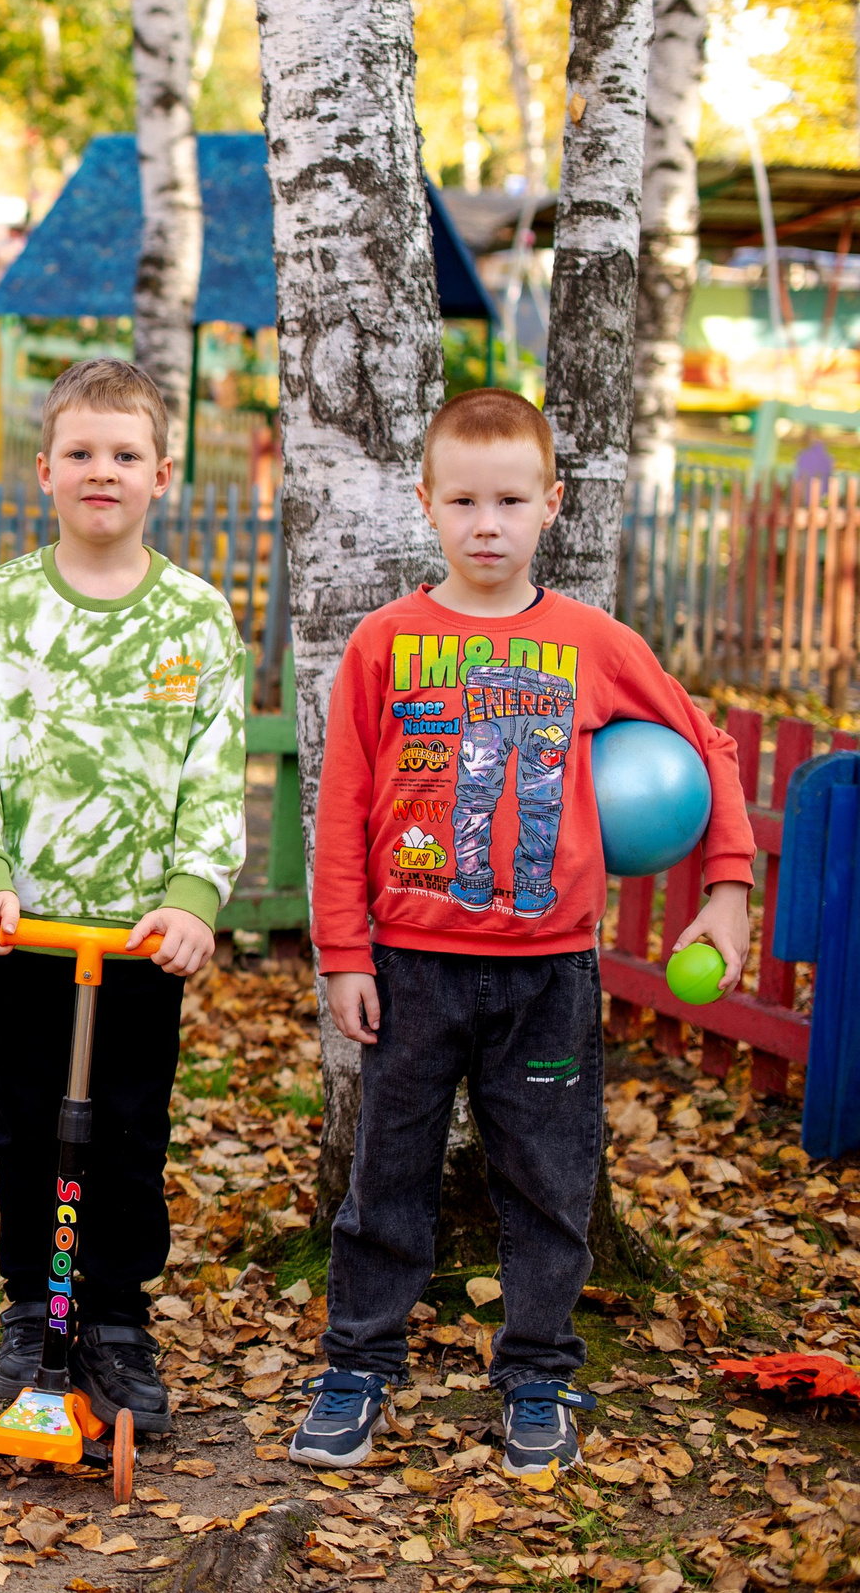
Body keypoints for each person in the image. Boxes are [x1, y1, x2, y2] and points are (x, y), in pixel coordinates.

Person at [290, 387, 755, 1475]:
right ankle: (357, 1366)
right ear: (425, 503)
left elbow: (711, 745)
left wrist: (728, 887)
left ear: (551, 504)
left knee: (550, 1180)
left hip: (549, 975)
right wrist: (344, 954)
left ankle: (538, 1372)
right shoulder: (384, 643)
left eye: (509, 500)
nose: (486, 523)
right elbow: (342, 808)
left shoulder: (592, 642)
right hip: (411, 968)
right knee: (386, 1177)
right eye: (463, 500)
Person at [0, 358, 247, 1438]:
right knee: (27, 1126)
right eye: (80, 452)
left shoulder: (195, 618)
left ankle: (113, 1315)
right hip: (27, 931)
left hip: (140, 938)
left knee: (128, 1131)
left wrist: (193, 895)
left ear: (162, 473)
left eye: (123, 453)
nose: (100, 470)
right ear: (44, 471)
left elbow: (213, 767)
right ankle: (34, 1306)